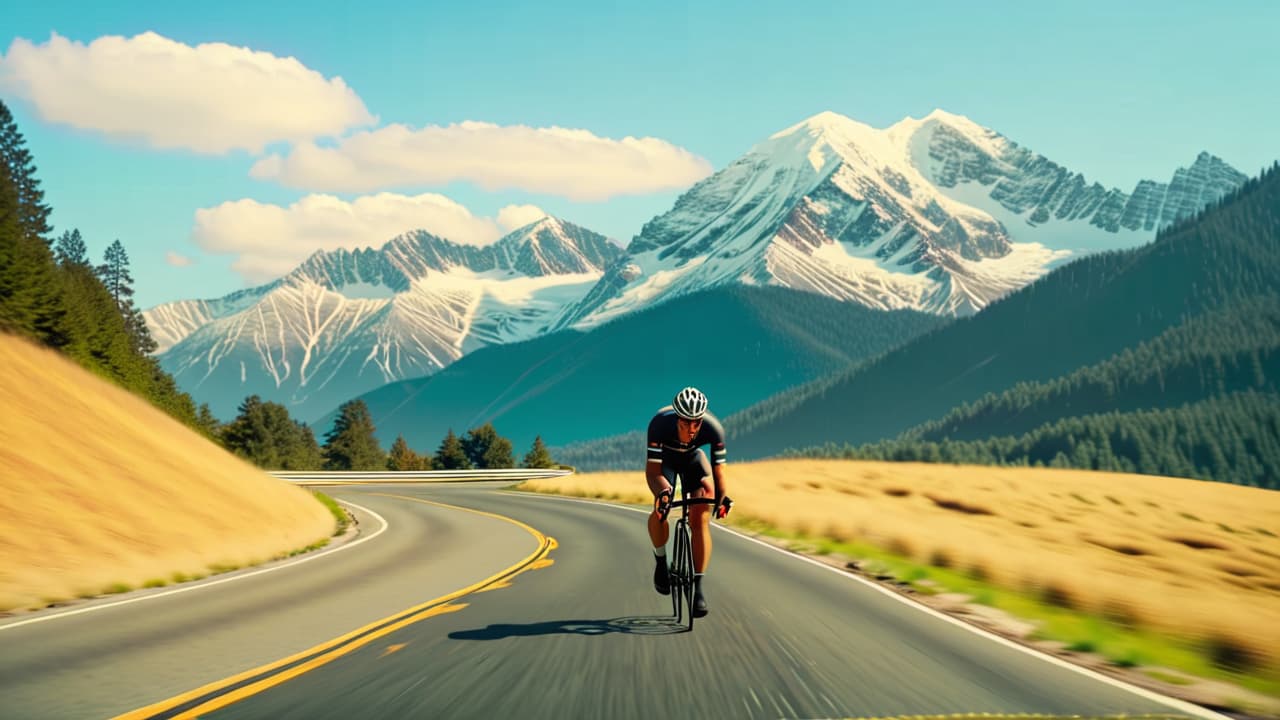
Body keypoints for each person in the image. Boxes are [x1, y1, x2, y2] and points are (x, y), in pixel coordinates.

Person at [646, 386, 732, 617]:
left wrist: (722, 497)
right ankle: (661, 561)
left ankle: (699, 587)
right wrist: (664, 493)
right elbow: (653, 471)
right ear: (676, 418)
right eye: (685, 424)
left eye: (697, 424)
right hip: (666, 461)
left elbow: (719, 471)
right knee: (660, 508)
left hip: (694, 459)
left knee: (702, 509)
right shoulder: (659, 424)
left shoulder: (714, 429)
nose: (692, 430)